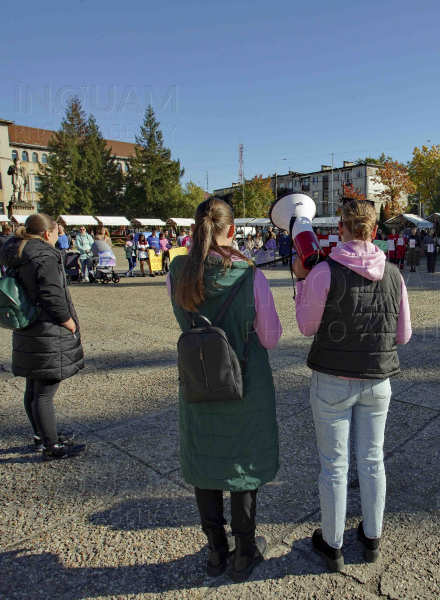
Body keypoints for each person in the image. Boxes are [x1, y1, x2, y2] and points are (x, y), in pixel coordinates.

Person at [293, 198, 412, 573]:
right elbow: (403, 335)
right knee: (373, 459)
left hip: (332, 378)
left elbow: (306, 327)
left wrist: (300, 281)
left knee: (334, 465)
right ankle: (372, 536)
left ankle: (333, 545)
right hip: (377, 380)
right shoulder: (394, 274)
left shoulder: (325, 271)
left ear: (340, 230)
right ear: (375, 231)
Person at [168, 198, 282, 583]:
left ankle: (217, 550)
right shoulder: (250, 275)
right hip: (244, 383)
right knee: (241, 464)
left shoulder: (177, 271)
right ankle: (244, 550)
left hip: (198, 377)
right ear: (231, 230)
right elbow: (271, 337)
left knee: (206, 461)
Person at [0, 214, 86, 461]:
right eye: (58, 231)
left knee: (33, 386)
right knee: (45, 391)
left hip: (28, 324)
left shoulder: (18, 252)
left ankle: (41, 434)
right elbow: (52, 295)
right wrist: (69, 323)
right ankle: (51, 445)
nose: (60, 235)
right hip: (48, 328)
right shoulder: (44, 255)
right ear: (48, 233)